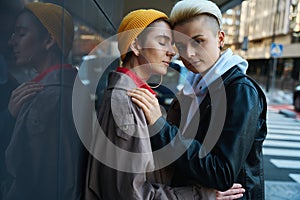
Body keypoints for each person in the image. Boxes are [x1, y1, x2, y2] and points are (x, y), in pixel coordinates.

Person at [84, 8, 244, 200]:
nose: (171, 52)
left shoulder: (138, 95)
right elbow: (133, 194)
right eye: (162, 42)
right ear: (135, 45)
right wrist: (203, 195)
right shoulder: (127, 102)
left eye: (172, 44)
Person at [128, 0, 267, 199]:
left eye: (198, 41)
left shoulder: (240, 91)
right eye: (181, 46)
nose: (189, 54)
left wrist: (161, 128)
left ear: (220, 39)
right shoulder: (192, 86)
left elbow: (222, 174)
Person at [4, 2, 89, 200]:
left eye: (21, 33)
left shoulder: (47, 98)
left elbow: (32, 181)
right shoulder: (74, 90)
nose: (12, 42)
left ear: (49, 40)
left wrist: (8, 119)